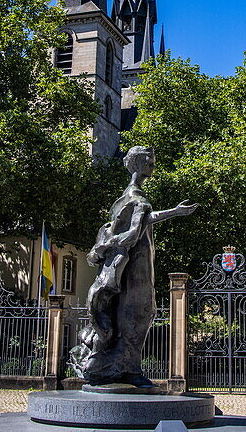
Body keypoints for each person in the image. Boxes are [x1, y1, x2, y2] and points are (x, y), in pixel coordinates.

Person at [70, 146, 197, 387]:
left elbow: (144, 219)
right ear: (137, 164)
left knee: (134, 313)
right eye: (149, 161)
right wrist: (108, 245)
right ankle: (127, 368)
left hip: (131, 263)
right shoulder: (136, 198)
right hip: (136, 265)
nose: (153, 165)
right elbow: (133, 231)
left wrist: (175, 212)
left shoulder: (129, 196)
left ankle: (125, 366)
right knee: (140, 312)